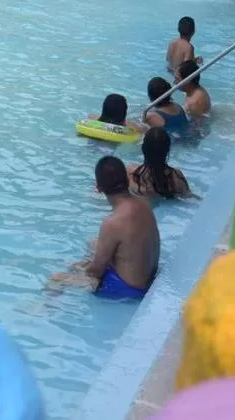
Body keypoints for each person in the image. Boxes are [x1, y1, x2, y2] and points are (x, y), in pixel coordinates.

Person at [50, 156, 160, 300]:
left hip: (129, 290)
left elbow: (95, 272)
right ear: (127, 180)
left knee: (57, 278)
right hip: (150, 279)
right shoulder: (144, 204)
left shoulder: (112, 223)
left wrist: (80, 268)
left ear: (98, 188)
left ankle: (44, 307)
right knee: (95, 243)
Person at [129, 127, 192, 198]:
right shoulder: (176, 177)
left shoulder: (131, 173)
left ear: (143, 148)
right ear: (167, 150)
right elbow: (189, 197)